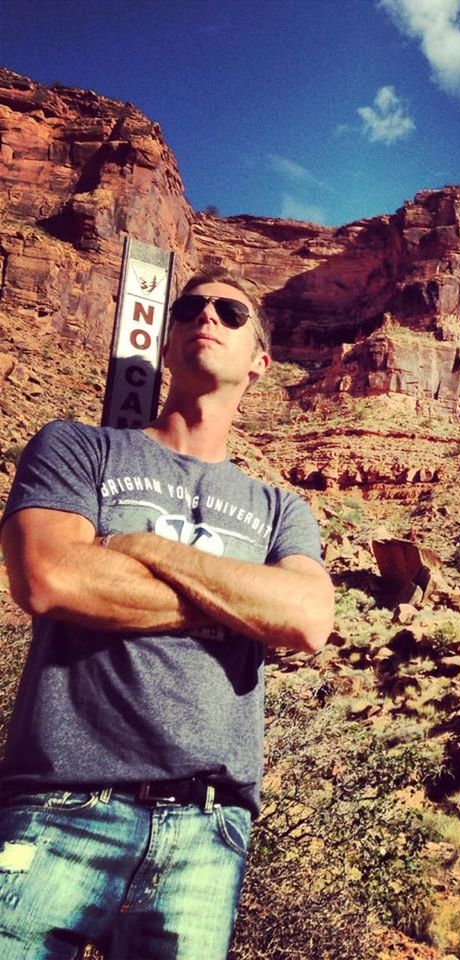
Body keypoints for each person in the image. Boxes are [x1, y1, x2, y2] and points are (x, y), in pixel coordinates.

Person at [0, 268, 335, 959]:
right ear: (165, 336)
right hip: (61, 805)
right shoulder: (78, 449)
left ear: (260, 363)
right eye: (189, 306)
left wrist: (142, 548)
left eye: (230, 312)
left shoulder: (280, 509)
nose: (206, 315)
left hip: (208, 833)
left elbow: (305, 619)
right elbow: (50, 577)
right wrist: (239, 606)